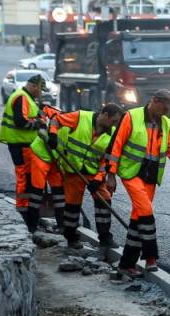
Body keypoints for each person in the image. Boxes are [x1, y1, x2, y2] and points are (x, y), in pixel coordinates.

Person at [106, 90, 170, 277]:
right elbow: (115, 146)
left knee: (137, 219)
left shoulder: (166, 123)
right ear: (154, 101)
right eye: (165, 107)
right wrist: (110, 175)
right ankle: (151, 257)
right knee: (146, 211)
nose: (167, 111)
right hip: (131, 172)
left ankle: (126, 264)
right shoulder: (131, 117)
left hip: (150, 176)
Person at [48, 103, 123, 248]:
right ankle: (71, 237)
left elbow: (106, 161)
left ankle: (105, 238)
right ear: (105, 115)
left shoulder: (112, 134)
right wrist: (52, 133)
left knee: (105, 200)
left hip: (94, 172)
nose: (115, 125)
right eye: (113, 121)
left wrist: (99, 178)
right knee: (72, 205)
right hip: (73, 170)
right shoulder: (80, 117)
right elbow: (56, 119)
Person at [0, 73, 51, 223]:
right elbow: (20, 122)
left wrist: (39, 115)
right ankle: (23, 212)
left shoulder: (26, 97)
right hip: (20, 144)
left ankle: (26, 210)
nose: (40, 93)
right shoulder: (21, 97)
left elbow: (28, 116)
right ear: (34, 86)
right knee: (24, 178)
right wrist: (38, 124)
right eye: (40, 90)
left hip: (23, 145)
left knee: (27, 178)